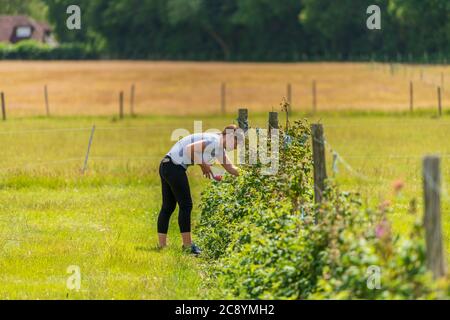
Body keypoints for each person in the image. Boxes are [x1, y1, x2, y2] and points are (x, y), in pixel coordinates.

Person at [157, 125, 241, 255]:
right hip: (174, 167)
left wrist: (250, 174)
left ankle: (162, 246)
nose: (236, 147)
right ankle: (188, 246)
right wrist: (203, 165)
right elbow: (189, 149)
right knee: (186, 205)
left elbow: (230, 168)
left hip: (166, 165)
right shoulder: (214, 140)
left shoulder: (219, 148)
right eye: (237, 142)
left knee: (168, 207)